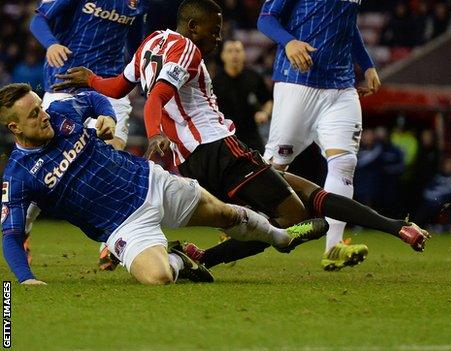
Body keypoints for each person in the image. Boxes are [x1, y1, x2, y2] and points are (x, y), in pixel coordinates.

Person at [53, 0, 429, 271]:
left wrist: (90, 80)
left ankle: (398, 228)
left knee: (304, 191)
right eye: (214, 31)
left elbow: (118, 87)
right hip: (221, 149)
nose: (217, 39)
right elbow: (157, 100)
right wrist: (153, 135)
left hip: (191, 162)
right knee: (299, 218)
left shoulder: (151, 42)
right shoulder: (187, 50)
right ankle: (201, 258)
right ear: (193, 27)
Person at [0, 83, 328, 285]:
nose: (43, 115)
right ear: (14, 127)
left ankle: (281, 237)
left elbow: (94, 100)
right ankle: (180, 261)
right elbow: (12, 233)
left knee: (226, 215)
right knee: (158, 278)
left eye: (40, 106)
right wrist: (26, 279)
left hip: (150, 181)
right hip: (122, 226)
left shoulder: (60, 113)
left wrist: (109, 117)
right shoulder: (17, 176)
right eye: (33, 115)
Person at [257, 0, 381, 270]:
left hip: (341, 86)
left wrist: (366, 64)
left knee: (344, 163)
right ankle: (240, 219)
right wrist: (289, 42)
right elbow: (266, 18)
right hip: (297, 82)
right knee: (274, 167)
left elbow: (347, 25)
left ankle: (334, 247)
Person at [28, 0, 148, 269]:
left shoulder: (139, 4)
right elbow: (38, 19)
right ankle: (20, 230)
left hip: (107, 86)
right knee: (50, 166)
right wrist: (52, 44)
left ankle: (112, 243)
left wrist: (139, 79)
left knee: (113, 163)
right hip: (66, 82)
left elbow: (137, 46)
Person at [212, 40, 272, 153]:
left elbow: (268, 100)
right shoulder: (214, 82)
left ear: (244, 54)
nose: (234, 55)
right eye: (230, 51)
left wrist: (264, 113)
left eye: (238, 51)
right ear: (222, 55)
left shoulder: (254, 77)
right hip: (225, 136)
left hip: (251, 135)